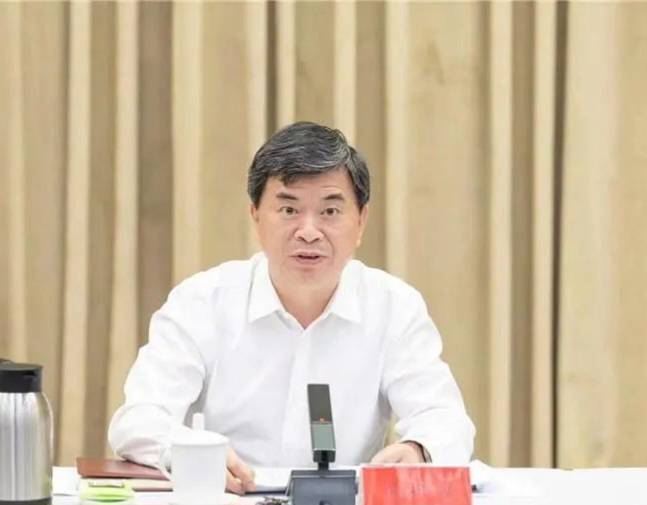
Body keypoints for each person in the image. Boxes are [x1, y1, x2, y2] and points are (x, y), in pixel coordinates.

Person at [108, 121, 475, 495]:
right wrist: (194, 453)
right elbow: (137, 420)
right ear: (255, 215)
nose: (309, 232)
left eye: (330, 211)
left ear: (361, 221)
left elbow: (445, 418)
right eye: (288, 209)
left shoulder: (394, 306)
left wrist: (419, 450)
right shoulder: (201, 301)